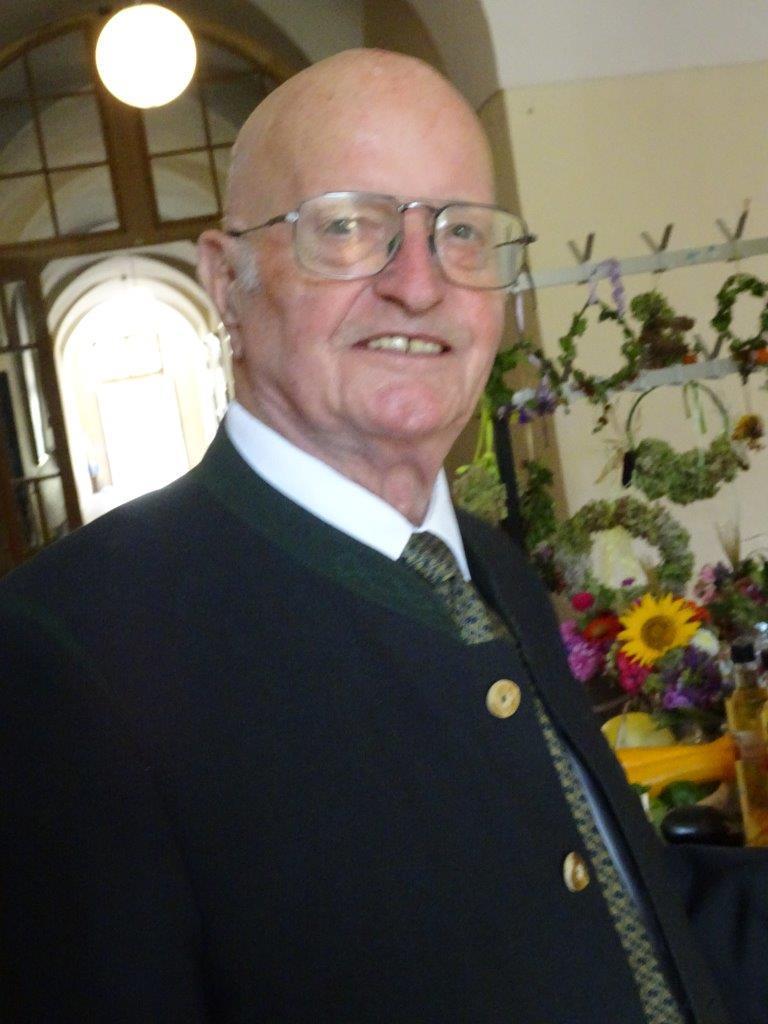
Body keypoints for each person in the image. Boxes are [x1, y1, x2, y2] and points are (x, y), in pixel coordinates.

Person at [0, 48, 765, 1024]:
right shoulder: (66, 652)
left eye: (462, 233)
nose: (419, 283)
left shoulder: (488, 565)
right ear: (225, 279)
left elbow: (626, 918)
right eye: (348, 227)